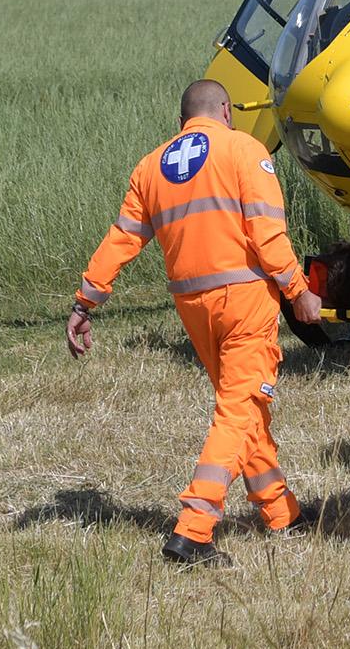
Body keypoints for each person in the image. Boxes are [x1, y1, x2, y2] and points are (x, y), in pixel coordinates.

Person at [66, 79, 323, 567]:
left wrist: (86, 303)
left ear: (182, 120)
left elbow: (122, 239)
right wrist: (299, 291)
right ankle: (193, 531)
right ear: (225, 110)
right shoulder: (244, 150)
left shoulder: (151, 166)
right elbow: (267, 234)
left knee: (242, 406)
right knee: (240, 407)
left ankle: (280, 511)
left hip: (192, 306)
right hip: (245, 299)